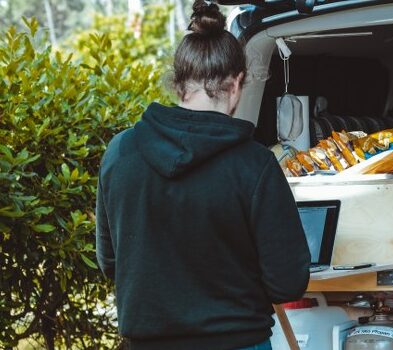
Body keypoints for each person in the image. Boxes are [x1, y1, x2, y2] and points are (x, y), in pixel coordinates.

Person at [95, 1, 310, 349]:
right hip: (238, 342)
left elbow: (110, 263)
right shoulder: (254, 164)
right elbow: (287, 282)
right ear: (238, 83)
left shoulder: (120, 153)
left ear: (178, 84)